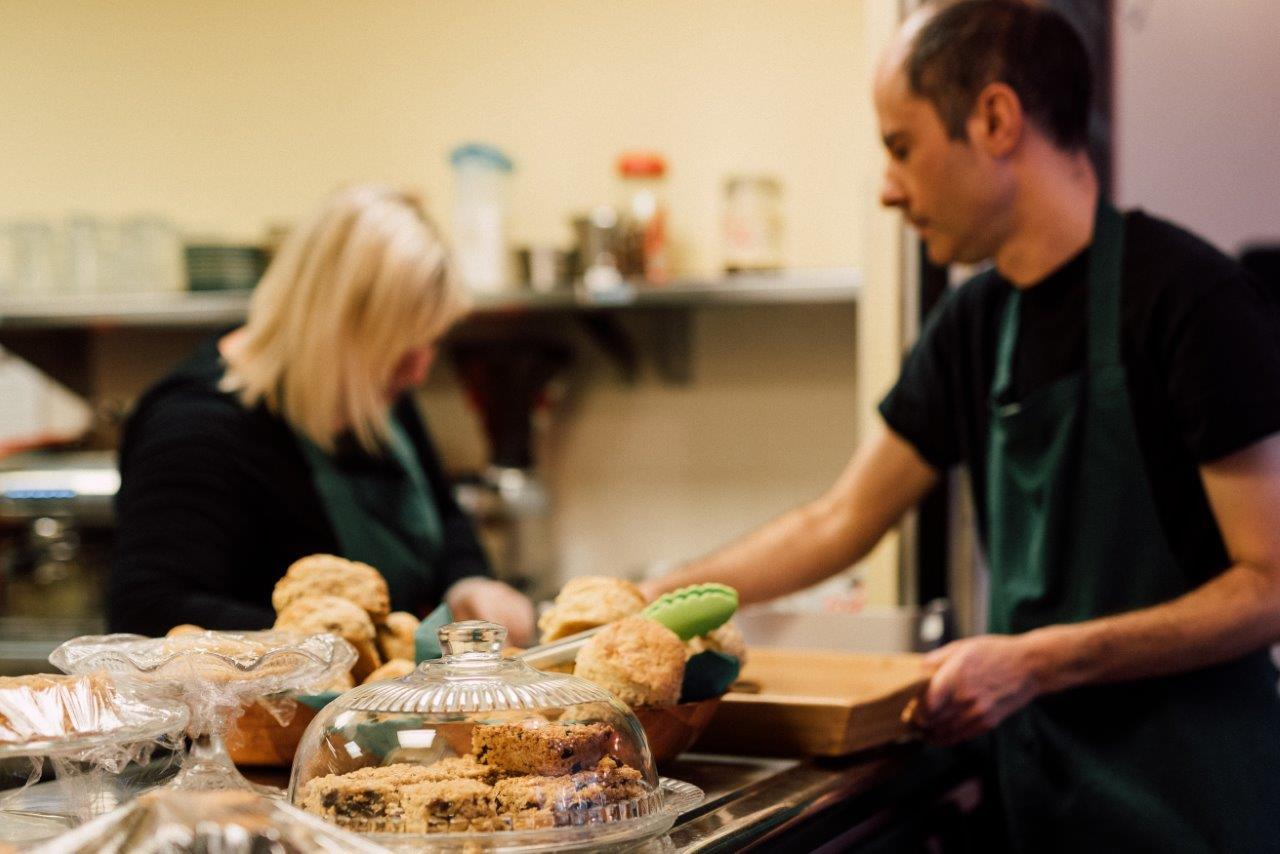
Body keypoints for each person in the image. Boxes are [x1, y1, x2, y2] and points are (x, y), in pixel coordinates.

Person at [641, 1, 1280, 849]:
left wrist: (1038, 659)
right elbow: (841, 520)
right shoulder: (976, 322)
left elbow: (1269, 583)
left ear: (995, 119)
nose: (887, 186)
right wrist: (649, 607)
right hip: (1048, 804)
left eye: (900, 147)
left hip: (1193, 804)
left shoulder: (1187, 298)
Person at [109, 186, 535, 644]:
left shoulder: (372, 388)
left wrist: (468, 582)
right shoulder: (193, 429)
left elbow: (441, 516)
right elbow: (147, 610)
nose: (418, 373)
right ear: (332, 332)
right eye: (399, 352)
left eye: (428, 343)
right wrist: (333, 640)